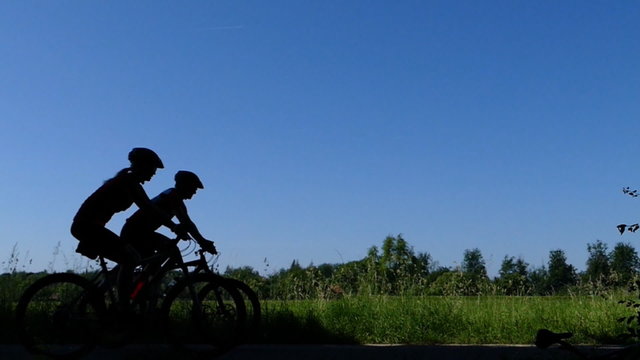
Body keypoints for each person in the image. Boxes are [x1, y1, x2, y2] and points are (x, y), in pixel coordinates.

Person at [71, 147, 186, 309]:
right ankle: (124, 305)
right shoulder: (128, 182)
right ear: (143, 166)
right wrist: (174, 227)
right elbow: (149, 208)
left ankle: (118, 300)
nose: (154, 173)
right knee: (131, 258)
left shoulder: (127, 180)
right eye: (153, 169)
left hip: (89, 226)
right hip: (88, 227)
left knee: (130, 259)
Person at [120, 170, 216, 258]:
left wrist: (202, 241)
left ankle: (145, 275)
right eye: (194, 188)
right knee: (171, 251)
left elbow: (187, 223)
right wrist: (202, 241)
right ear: (185, 186)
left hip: (138, 232)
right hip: (135, 233)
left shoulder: (174, 196)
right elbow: (186, 222)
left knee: (154, 258)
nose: (195, 192)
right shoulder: (172, 196)